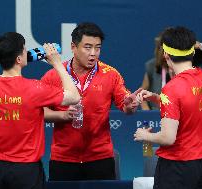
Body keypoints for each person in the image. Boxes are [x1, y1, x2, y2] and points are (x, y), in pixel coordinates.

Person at [0, 32, 80, 189]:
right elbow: (74, 96)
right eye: (25, 50)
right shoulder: (34, 88)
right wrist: (57, 63)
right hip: (27, 172)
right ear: (19, 59)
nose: (28, 52)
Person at [41, 22, 138, 181]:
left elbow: (127, 107)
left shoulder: (111, 74)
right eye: (87, 47)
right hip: (63, 159)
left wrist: (130, 106)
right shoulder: (53, 76)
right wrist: (63, 116)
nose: (93, 53)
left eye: (97, 48)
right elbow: (40, 111)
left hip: (100, 159)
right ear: (73, 47)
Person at [134, 26, 202, 189]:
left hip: (177, 168)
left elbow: (168, 138)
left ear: (166, 55)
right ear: (191, 52)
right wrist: (158, 99)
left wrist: (145, 136)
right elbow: (187, 105)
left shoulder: (172, 88)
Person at [140, 33, 202, 110]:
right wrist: (148, 114)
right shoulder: (152, 66)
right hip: (157, 114)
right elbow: (142, 93)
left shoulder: (185, 65)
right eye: (161, 49)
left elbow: (199, 47)